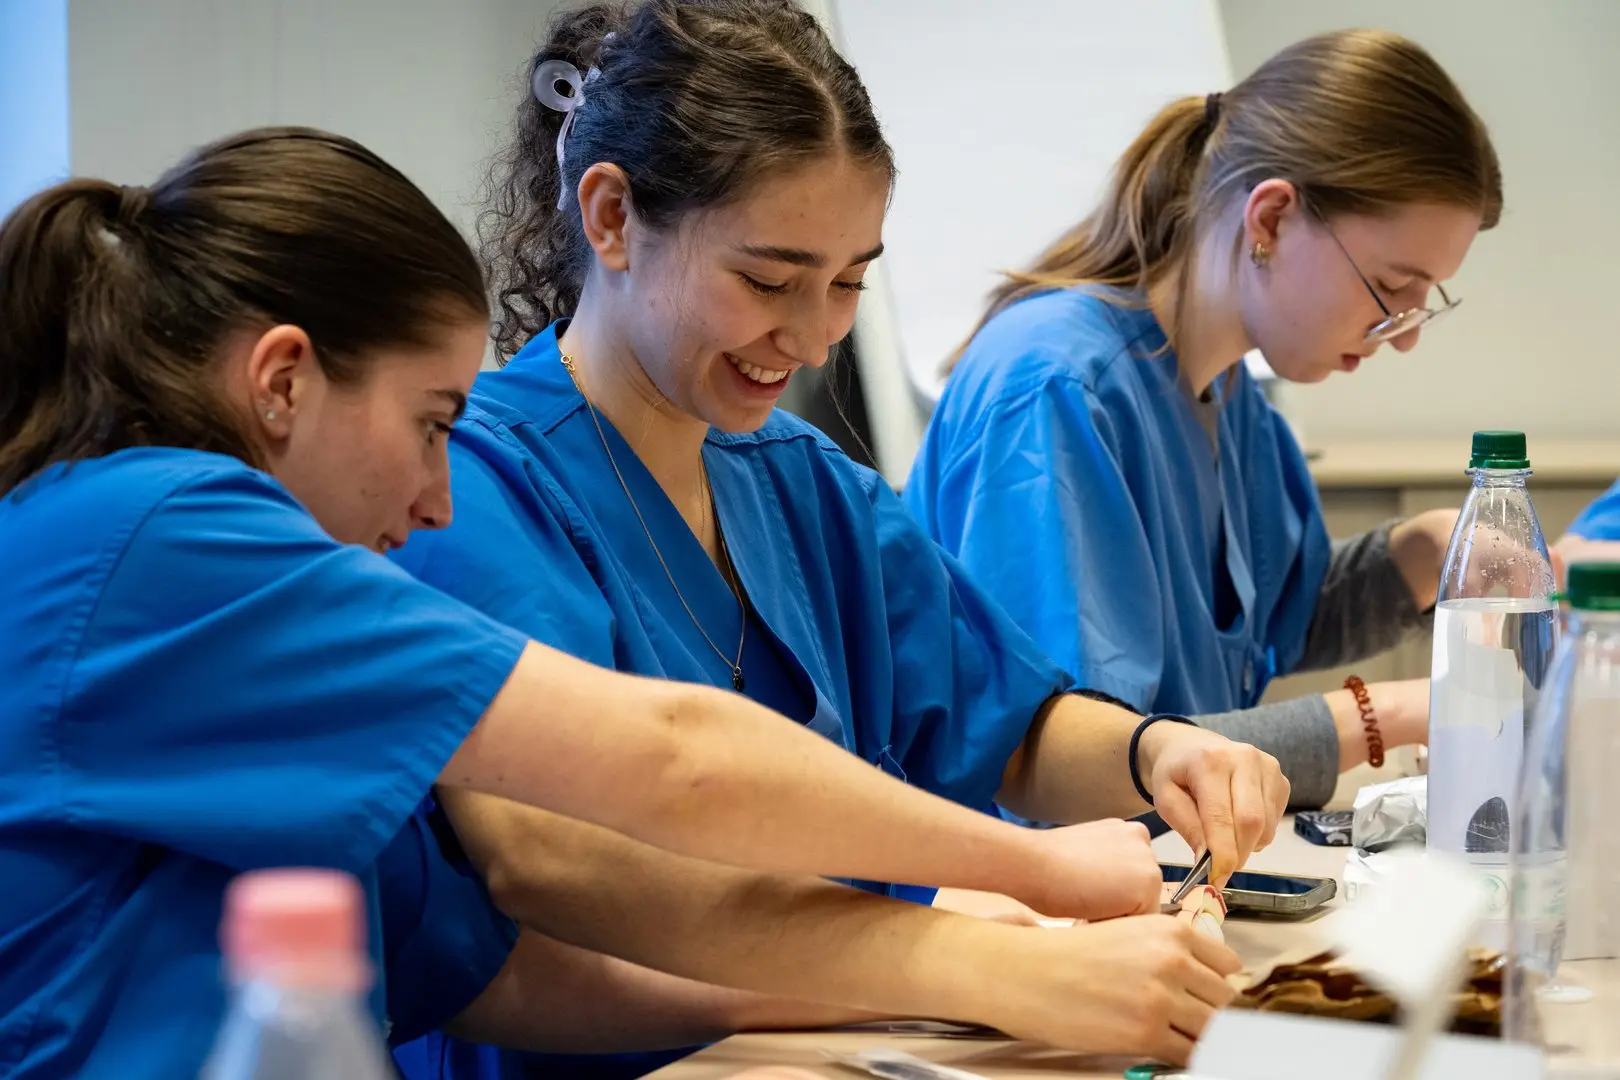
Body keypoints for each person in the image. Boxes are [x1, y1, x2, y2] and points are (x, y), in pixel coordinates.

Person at [0, 127, 1232, 1079]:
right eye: (432, 426)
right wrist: (1033, 880)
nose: (437, 499)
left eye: (849, 283)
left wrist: (980, 972)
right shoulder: (158, 533)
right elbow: (668, 757)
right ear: (280, 380)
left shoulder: (237, 606)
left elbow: (503, 977)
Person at [389, 1, 1287, 1074]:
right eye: (769, 281)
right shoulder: (468, 487)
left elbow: (1002, 717)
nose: (814, 332)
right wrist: (973, 945)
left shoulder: (802, 486)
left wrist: (1158, 752)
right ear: (613, 215)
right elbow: (566, 857)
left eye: (850, 281)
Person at [906, 28, 1503, 809]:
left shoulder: (1226, 391)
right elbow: (1064, 769)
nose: (1407, 332)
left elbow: (1269, 623)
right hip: (1014, 898)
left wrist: (1427, 549)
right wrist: (1387, 715)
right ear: (1271, 220)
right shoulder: (1055, 390)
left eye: (1428, 300)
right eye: (1393, 288)